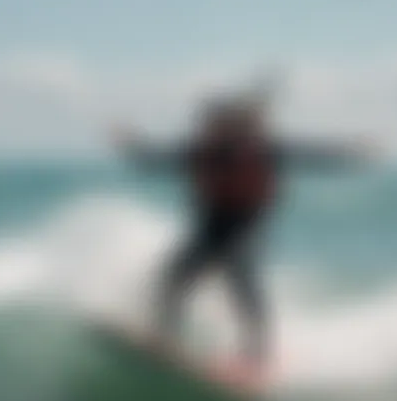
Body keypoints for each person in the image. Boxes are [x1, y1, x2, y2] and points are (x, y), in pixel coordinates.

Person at [110, 94, 370, 375]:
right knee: (174, 275)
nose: (209, 130)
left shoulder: (263, 150)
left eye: (217, 125)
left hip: (247, 225)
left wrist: (351, 153)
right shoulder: (200, 151)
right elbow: (154, 161)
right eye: (209, 125)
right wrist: (131, 144)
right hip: (211, 225)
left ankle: (257, 352)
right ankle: (164, 337)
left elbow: (315, 157)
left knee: (239, 274)